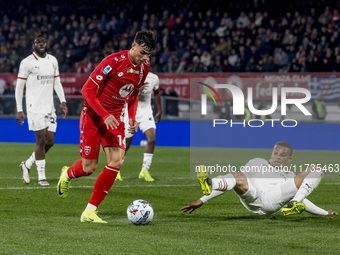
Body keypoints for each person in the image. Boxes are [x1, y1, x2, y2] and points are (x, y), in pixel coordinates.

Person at [57, 30, 156, 223]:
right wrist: (104, 114)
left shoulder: (144, 68)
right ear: (133, 46)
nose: (145, 58)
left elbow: (134, 94)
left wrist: (132, 118)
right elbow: (87, 89)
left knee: (117, 161)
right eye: (142, 52)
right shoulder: (113, 61)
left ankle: (90, 211)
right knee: (89, 168)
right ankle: (67, 173)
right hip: (93, 116)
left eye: (148, 54)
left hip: (115, 119)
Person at [181, 141, 337, 217]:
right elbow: (232, 181)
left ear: (289, 159)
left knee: (317, 169)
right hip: (252, 196)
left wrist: (325, 213)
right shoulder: (257, 162)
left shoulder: (289, 176)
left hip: (272, 200)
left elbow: (306, 201)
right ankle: (210, 182)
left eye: (283, 155)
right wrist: (202, 200)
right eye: (275, 153)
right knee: (237, 175)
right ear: (272, 153)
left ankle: (294, 203)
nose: (277, 157)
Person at [15, 34, 68, 186]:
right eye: (38, 42)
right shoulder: (27, 62)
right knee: (41, 140)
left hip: (49, 107)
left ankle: (27, 164)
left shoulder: (53, 60)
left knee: (50, 141)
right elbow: (19, 86)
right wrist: (20, 108)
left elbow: (57, 81)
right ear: (34, 46)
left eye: (43, 42)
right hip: (34, 107)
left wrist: (63, 101)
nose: (41, 44)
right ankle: (41, 177)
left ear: (47, 44)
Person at [119, 72, 162, 182]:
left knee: (152, 139)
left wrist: (160, 110)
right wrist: (137, 89)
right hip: (130, 112)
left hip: (146, 112)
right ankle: (116, 169)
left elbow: (156, 93)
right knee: (127, 143)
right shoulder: (130, 75)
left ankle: (144, 171)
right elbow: (122, 94)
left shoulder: (153, 77)